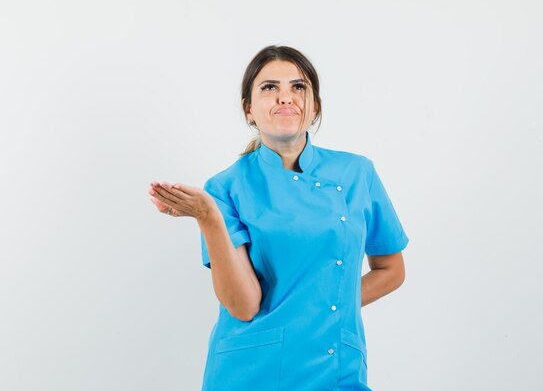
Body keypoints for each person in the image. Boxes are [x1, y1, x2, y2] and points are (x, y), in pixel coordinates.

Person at [148, 45, 409, 391]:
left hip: (337, 367)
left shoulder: (357, 173)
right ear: (249, 110)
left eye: (298, 87)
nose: (286, 97)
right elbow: (243, 305)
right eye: (269, 87)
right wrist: (207, 216)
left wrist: (328, 310)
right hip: (250, 372)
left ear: (314, 106)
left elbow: (391, 270)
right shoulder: (225, 188)